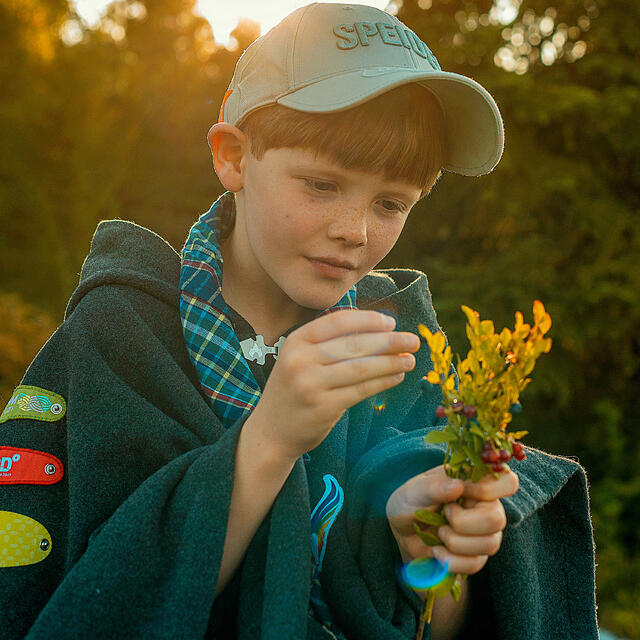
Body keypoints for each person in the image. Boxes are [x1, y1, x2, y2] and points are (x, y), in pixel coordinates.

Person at [0, 3, 599, 639]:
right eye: (321, 185)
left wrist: (429, 556)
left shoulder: (401, 359)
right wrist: (272, 438)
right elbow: (79, 600)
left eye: (391, 202)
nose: (354, 231)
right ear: (233, 157)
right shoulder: (119, 336)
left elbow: (436, 621)